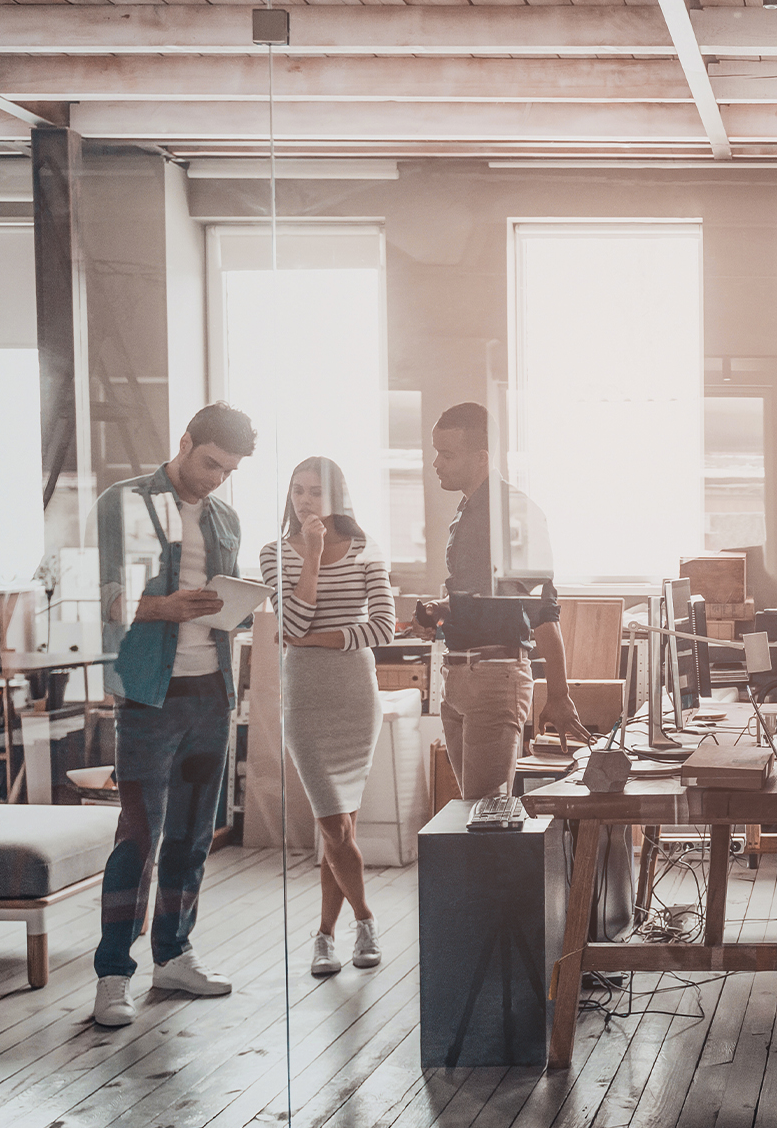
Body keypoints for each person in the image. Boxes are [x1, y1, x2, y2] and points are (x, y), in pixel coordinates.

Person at [91, 403, 255, 1028]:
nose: (216, 478)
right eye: (210, 462)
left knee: (191, 836)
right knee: (138, 838)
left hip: (210, 694)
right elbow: (102, 596)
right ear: (184, 442)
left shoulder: (226, 518)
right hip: (147, 697)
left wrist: (234, 609)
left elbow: (226, 603)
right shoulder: (123, 503)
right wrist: (168, 608)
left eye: (228, 470)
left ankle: (174, 955)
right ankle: (112, 976)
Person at [412, 402, 591, 799]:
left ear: (481, 459)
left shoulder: (515, 514)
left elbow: (542, 610)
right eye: (435, 451)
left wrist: (559, 695)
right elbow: (482, 600)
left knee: (486, 816)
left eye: (447, 454)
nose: (436, 463)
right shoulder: (467, 512)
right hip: (457, 676)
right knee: (471, 813)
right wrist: (438, 613)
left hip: (493, 678)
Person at [259, 457, 396, 978]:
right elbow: (291, 618)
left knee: (339, 830)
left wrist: (315, 640)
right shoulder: (274, 553)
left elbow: (383, 628)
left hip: (355, 695)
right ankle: (365, 919)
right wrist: (312, 555)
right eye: (297, 491)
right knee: (335, 825)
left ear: (338, 496)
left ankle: (323, 937)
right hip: (306, 697)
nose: (305, 501)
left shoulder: (367, 550)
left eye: (316, 491)